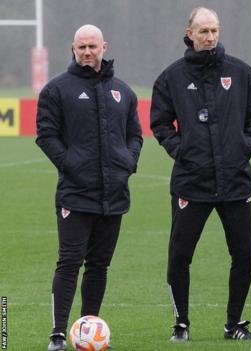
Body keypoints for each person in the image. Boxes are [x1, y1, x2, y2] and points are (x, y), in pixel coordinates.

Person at [150, 7, 251, 343]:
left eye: (214, 30)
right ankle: (181, 324)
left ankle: (235, 325)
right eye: (203, 31)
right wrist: (180, 150)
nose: (209, 37)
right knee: (180, 256)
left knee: (243, 255)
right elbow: (159, 122)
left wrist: (247, 145)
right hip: (191, 181)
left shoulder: (242, 73)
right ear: (189, 33)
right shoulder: (171, 77)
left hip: (236, 180)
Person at [35, 24, 143, 351]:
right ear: (73, 48)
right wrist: (71, 165)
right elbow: (46, 135)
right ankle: (57, 334)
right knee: (69, 263)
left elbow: (134, 135)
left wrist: (127, 162)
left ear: (103, 47)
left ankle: (88, 329)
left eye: (92, 46)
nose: (87, 52)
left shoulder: (123, 91)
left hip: (114, 195)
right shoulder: (57, 90)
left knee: (99, 265)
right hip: (75, 194)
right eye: (81, 47)